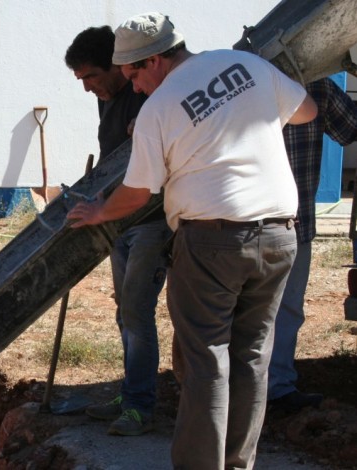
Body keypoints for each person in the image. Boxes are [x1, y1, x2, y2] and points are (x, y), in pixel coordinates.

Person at [66, 12, 317, 469]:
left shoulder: (161, 108)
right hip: (280, 236)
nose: (135, 89)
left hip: (213, 243)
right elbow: (306, 111)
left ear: (155, 60)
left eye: (134, 76)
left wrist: (99, 211)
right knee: (252, 358)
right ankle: (238, 463)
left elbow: (138, 192)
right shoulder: (247, 65)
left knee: (206, 362)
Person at [64, 26, 171, 436]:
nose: (88, 88)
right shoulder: (106, 101)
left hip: (149, 222)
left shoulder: (146, 94)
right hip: (118, 221)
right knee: (124, 313)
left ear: (117, 67)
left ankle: (140, 407)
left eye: (91, 76)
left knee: (137, 313)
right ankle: (131, 393)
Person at [268, 77, 357, 413]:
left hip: (250, 223)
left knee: (247, 310)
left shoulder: (240, 79)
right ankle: (274, 388)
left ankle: (255, 390)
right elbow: (350, 130)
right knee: (285, 309)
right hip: (291, 221)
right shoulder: (317, 87)